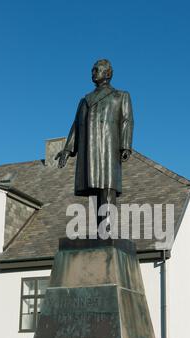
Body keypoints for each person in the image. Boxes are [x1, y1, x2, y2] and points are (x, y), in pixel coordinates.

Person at [55, 59, 134, 227]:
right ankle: (99, 229)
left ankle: (107, 229)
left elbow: (127, 120)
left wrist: (125, 145)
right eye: (92, 70)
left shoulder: (121, 96)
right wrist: (67, 150)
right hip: (89, 149)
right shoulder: (85, 100)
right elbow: (76, 125)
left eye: (96, 70)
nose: (93, 73)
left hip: (108, 148)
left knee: (107, 187)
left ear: (108, 73)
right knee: (94, 189)